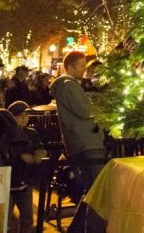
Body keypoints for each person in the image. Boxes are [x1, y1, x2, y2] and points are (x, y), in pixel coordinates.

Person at [50, 52, 106, 190]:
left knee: (92, 188)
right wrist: (99, 104)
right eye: (81, 66)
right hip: (86, 141)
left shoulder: (71, 85)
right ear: (70, 67)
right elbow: (85, 110)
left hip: (85, 140)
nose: (84, 69)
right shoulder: (68, 85)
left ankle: (86, 212)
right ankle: (90, 212)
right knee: (96, 187)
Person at [0, 101, 46, 233]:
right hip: (7, 185)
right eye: (20, 115)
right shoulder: (3, 134)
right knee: (5, 220)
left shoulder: (31, 133)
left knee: (27, 219)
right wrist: (19, 155)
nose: (24, 118)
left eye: (26, 114)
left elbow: (40, 149)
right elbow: (0, 156)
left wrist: (38, 156)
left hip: (25, 183)